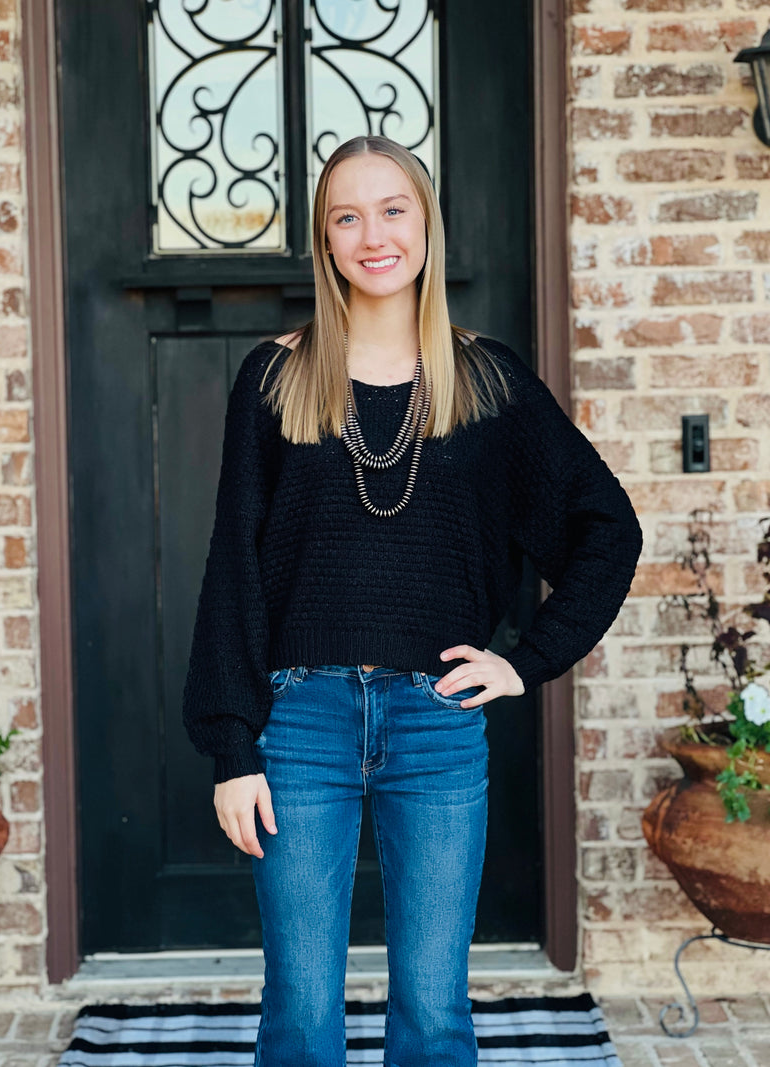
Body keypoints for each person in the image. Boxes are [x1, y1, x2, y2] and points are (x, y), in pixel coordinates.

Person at [182, 134, 642, 1066]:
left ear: (427, 224)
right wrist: (234, 746)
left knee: (434, 1013)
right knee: (301, 1014)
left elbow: (607, 528)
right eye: (345, 216)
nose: (372, 234)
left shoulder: (489, 382)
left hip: (435, 724)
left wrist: (526, 659)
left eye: (393, 209)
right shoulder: (274, 379)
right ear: (323, 241)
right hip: (298, 720)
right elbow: (232, 561)